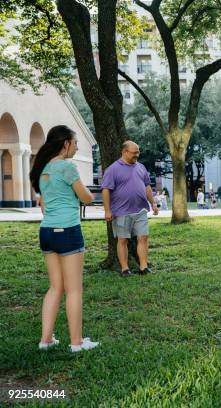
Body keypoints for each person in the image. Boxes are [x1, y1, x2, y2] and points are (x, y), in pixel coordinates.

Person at [29, 125, 100, 353]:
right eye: (75, 142)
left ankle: (45, 340)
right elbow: (87, 198)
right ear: (65, 143)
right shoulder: (67, 167)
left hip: (47, 231)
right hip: (68, 231)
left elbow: (44, 204)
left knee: (55, 287)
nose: (77, 146)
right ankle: (77, 343)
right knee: (74, 289)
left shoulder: (42, 169)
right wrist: (86, 194)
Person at [101, 141, 159, 277]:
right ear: (125, 152)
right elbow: (105, 190)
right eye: (134, 152)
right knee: (122, 240)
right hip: (121, 212)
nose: (137, 155)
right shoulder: (113, 169)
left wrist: (153, 203)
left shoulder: (141, 167)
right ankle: (125, 269)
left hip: (140, 210)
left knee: (143, 237)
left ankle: (143, 267)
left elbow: (147, 187)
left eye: (138, 152)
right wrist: (107, 210)